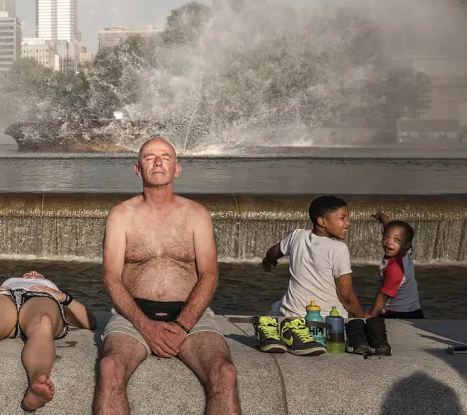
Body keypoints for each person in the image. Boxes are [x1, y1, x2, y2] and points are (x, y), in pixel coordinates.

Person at [94, 136, 239, 415]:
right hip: (133, 316)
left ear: (177, 168)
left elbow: (209, 275)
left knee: (225, 373)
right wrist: (145, 325)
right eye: (149, 157)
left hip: (191, 317)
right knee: (109, 368)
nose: (158, 162)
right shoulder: (121, 215)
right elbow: (110, 277)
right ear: (138, 169)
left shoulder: (197, 214)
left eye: (165, 157)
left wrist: (183, 325)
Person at [0, 271, 95, 411]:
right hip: (4, 297)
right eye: (28, 273)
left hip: (41, 299)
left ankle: (37, 384)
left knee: (43, 323)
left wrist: (63, 297)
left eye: (39, 275)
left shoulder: (53, 292)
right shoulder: (7, 285)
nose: (33, 273)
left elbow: (90, 322)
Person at [257, 195, 368, 355]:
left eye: (348, 218)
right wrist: (361, 319)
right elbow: (347, 295)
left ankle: (274, 332)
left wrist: (268, 260)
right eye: (342, 218)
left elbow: (274, 251)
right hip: (326, 323)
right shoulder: (338, 249)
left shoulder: (297, 236)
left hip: (293, 316)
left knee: (277, 307)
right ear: (323, 222)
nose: (348, 223)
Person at [369, 210, 422, 319]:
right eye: (386, 237)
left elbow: (382, 297)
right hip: (414, 310)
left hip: (400, 315)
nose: (389, 241)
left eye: (396, 240)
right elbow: (390, 229)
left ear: (407, 245)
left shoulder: (395, 269)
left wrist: (370, 316)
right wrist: (382, 217)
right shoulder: (404, 251)